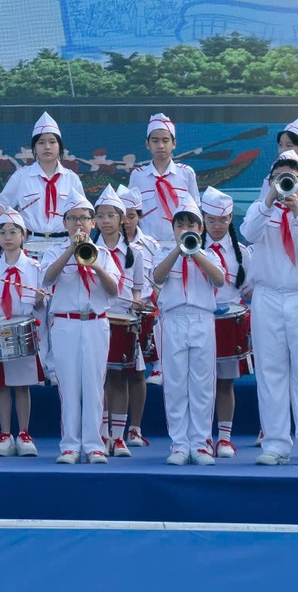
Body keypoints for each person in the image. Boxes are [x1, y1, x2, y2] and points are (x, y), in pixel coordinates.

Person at [239, 149, 298, 466]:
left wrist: (297, 212)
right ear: (270, 181)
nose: (286, 183)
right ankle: (276, 443)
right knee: (271, 372)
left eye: (291, 178)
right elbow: (248, 234)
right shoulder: (258, 210)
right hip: (268, 296)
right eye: (279, 178)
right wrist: (270, 201)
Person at [42, 196, 119, 463]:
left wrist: (92, 261)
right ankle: (70, 445)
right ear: (65, 223)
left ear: (93, 223)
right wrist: (70, 252)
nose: (78, 224)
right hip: (65, 323)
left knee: (94, 385)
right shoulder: (53, 251)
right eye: (73, 218)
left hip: (96, 322)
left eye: (84, 218)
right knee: (69, 386)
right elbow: (48, 278)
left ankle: (95, 444)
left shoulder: (105, 254)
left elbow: (114, 290)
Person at [152, 208, 225, 465]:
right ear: (172, 230)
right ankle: (179, 444)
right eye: (180, 226)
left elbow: (219, 280)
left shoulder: (211, 255)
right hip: (173, 320)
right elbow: (157, 277)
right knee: (175, 384)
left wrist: (195, 252)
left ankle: (201, 442)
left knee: (202, 384)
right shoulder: (163, 254)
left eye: (191, 226)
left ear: (201, 229)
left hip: (202, 320)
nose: (185, 230)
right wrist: (178, 251)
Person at [0, 112, 89, 262]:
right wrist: (9, 221)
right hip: (30, 247)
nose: (47, 147)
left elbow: (83, 212)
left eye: (52, 142)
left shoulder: (71, 178)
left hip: (64, 247)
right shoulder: (21, 176)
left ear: (60, 146)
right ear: (34, 147)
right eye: (41, 143)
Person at [0, 208, 44, 456]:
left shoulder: (35, 267)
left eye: (13, 232)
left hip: (24, 328)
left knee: (22, 385)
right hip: (0, 331)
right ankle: (4, 433)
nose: (7, 237)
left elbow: (41, 304)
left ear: (24, 235)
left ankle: (23, 432)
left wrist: (41, 301)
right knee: (2, 385)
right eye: (2, 232)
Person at [200, 187, 252, 458]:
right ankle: (201, 437)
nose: (217, 226)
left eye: (222, 220)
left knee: (224, 383)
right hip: (199, 321)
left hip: (230, 322)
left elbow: (249, 290)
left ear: (231, 218)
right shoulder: (193, 249)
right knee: (200, 383)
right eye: (211, 220)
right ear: (203, 219)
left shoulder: (241, 252)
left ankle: (224, 437)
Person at [108, 186, 157, 453]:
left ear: (138, 216)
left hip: (137, 316)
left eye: (131, 215)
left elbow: (153, 283)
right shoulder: (96, 248)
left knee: (136, 373)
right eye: (120, 215)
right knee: (108, 375)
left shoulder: (149, 246)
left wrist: (144, 300)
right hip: (106, 316)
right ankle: (107, 431)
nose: (126, 221)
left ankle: (134, 427)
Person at [127, 113, 199, 247]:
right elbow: (130, 212)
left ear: (174, 144)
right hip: (145, 245)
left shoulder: (186, 173)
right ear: (147, 144)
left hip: (180, 244)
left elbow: (195, 212)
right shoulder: (137, 175)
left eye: (165, 141)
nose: (160, 145)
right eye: (155, 141)